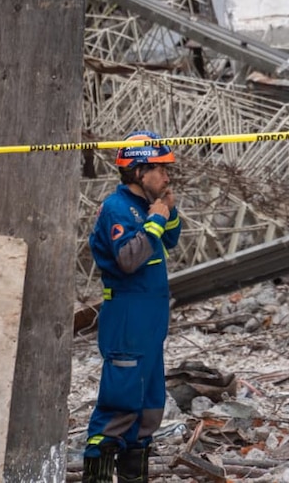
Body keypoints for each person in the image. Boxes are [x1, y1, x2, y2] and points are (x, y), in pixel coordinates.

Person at [83, 130, 182, 483]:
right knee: (120, 401)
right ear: (139, 171)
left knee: (149, 404)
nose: (167, 175)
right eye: (160, 169)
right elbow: (128, 258)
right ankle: (96, 473)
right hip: (127, 316)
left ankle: (133, 474)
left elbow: (170, 238)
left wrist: (166, 211)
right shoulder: (117, 207)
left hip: (151, 319)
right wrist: (154, 220)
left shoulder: (146, 206)